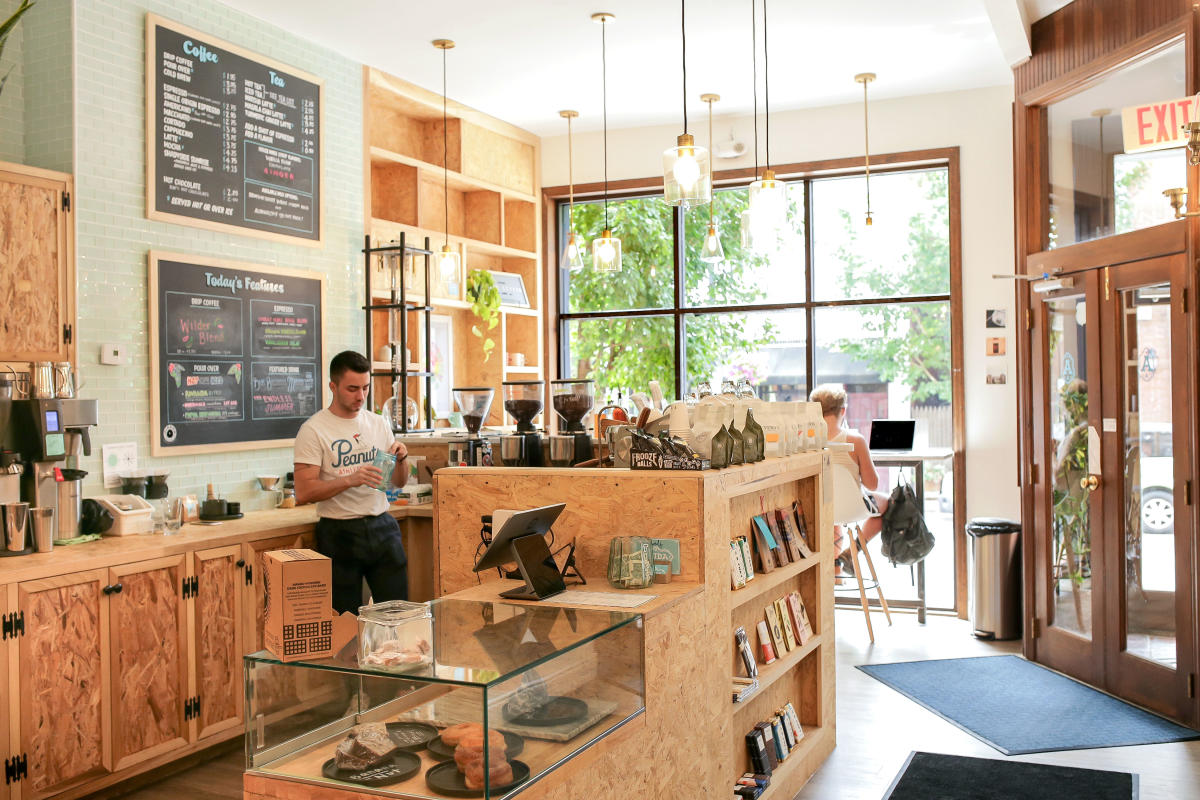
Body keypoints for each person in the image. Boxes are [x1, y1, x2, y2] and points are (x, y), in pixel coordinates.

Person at [294, 350, 410, 613]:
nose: (361, 396)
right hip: (339, 532)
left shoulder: (378, 423)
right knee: (344, 621)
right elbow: (303, 491)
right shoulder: (313, 430)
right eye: (352, 388)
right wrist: (351, 479)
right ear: (333, 386)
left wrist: (402, 460)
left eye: (366, 387)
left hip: (382, 526)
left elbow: (398, 483)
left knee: (398, 613)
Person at [809, 383, 889, 577]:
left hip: (819, 506)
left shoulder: (808, 439)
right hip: (852, 507)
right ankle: (851, 552)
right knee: (888, 503)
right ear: (842, 410)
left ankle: (835, 570)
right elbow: (872, 484)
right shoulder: (855, 440)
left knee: (833, 510)